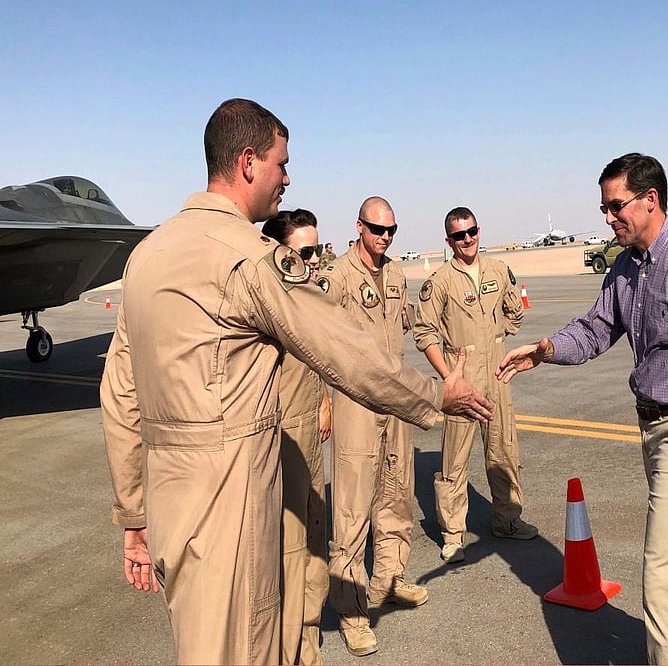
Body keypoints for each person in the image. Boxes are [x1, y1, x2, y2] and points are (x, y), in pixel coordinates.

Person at [99, 98, 493, 665]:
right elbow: (345, 351)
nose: (287, 178)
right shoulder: (249, 259)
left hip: (168, 503)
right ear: (248, 162)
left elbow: (120, 395)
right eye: (281, 165)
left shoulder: (146, 256)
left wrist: (134, 514)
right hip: (230, 503)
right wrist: (435, 394)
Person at [497, 153, 668, 665]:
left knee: (664, 580)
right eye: (604, 208)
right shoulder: (626, 268)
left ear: (651, 200)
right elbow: (596, 328)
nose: (608, 218)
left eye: (616, 206)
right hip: (655, 429)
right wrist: (547, 350)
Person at [318, 196, 427, 657]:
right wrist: (323, 400)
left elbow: (412, 325)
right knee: (352, 507)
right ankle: (351, 611)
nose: (385, 237)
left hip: (394, 400)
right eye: (377, 229)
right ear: (359, 227)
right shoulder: (337, 277)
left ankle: (389, 578)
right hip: (355, 402)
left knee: (396, 493)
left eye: (391, 230)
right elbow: (315, 341)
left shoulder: (396, 274)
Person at [414, 206, 536, 566]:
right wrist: (448, 375)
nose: (467, 239)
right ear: (449, 240)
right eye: (459, 235)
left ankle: (507, 520)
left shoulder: (498, 270)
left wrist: (499, 337)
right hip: (462, 378)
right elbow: (424, 332)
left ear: (479, 231)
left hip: (496, 374)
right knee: (455, 461)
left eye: (472, 232)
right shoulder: (440, 281)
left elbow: (515, 312)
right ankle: (453, 534)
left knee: (504, 451)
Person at [261, 209, 330, 665]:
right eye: (305, 252)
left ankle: (308, 646)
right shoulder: (266, 300)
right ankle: (291, 653)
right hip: (281, 437)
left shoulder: (306, 294)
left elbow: (317, 357)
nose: (314, 260)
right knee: (288, 553)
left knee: (315, 543)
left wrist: (325, 401)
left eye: (317, 250)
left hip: (310, 434)